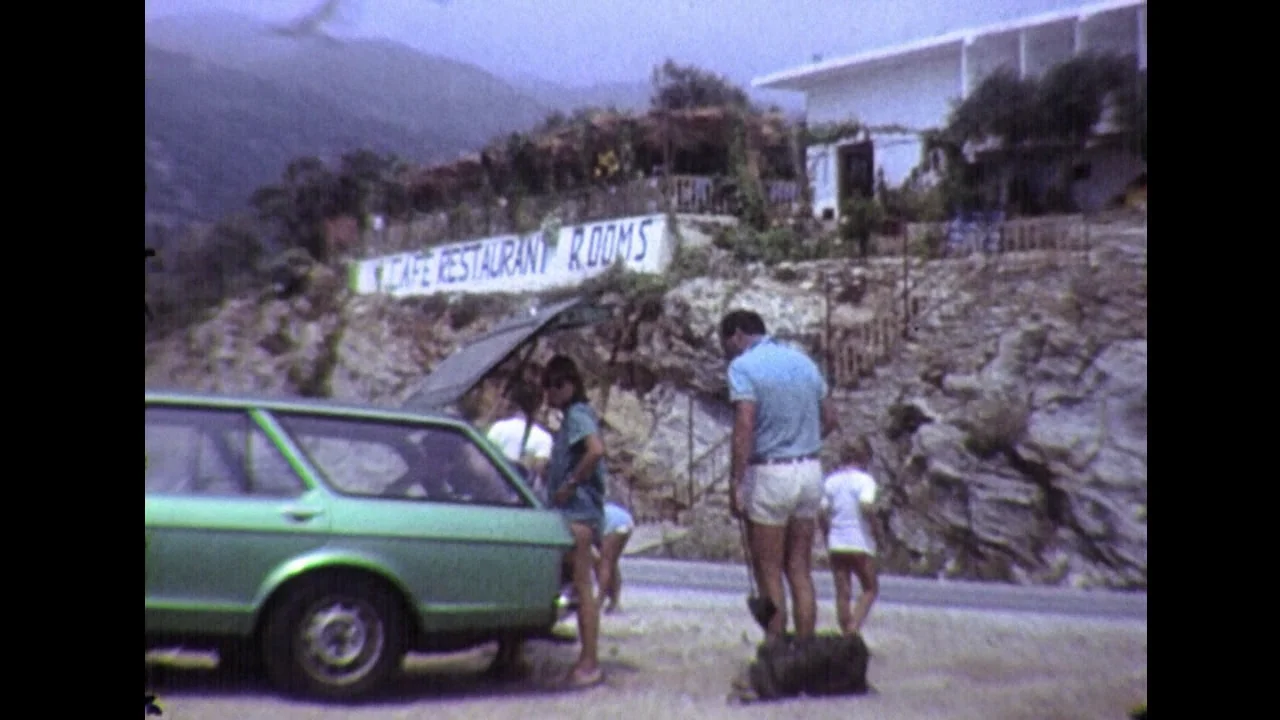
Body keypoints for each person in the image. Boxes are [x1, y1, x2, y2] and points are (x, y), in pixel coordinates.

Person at [720, 309, 839, 642]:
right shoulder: (803, 361)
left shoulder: (742, 367)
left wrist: (736, 481)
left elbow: (744, 424)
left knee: (768, 571)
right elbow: (830, 417)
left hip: (771, 472)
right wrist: (803, 440)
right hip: (810, 469)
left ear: (738, 335)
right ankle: (804, 652)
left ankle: (775, 650)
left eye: (726, 343)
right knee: (800, 570)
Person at [541, 355, 607, 689]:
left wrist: (570, 484)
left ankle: (590, 661)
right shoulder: (570, 418)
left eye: (556, 384)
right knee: (577, 586)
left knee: (582, 587)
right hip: (575, 512)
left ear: (569, 385)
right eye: (547, 385)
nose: (550, 392)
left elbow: (595, 450)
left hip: (578, 513)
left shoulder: (578, 415)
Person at [819, 436, 882, 637]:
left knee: (843, 593)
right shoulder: (865, 481)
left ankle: (845, 630)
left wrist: (827, 531)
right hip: (859, 541)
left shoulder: (831, 480)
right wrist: (876, 528)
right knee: (870, 588)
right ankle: (852, 630)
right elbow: (866, 506)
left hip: (837, 542)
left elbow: (821, 512)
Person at [485, 380, 553, 497]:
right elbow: (539, 470)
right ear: (538, 405)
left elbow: (484, 462)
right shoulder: (544, 438)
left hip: (494, 493)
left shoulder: (498, 428)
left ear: (514, 403)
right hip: (524, 499)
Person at [595, 501, 635, 614]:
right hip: (626, 521)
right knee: (611, 563)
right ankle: (614, 601)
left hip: (614, 524)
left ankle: (599, 602)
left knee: (605, 563)